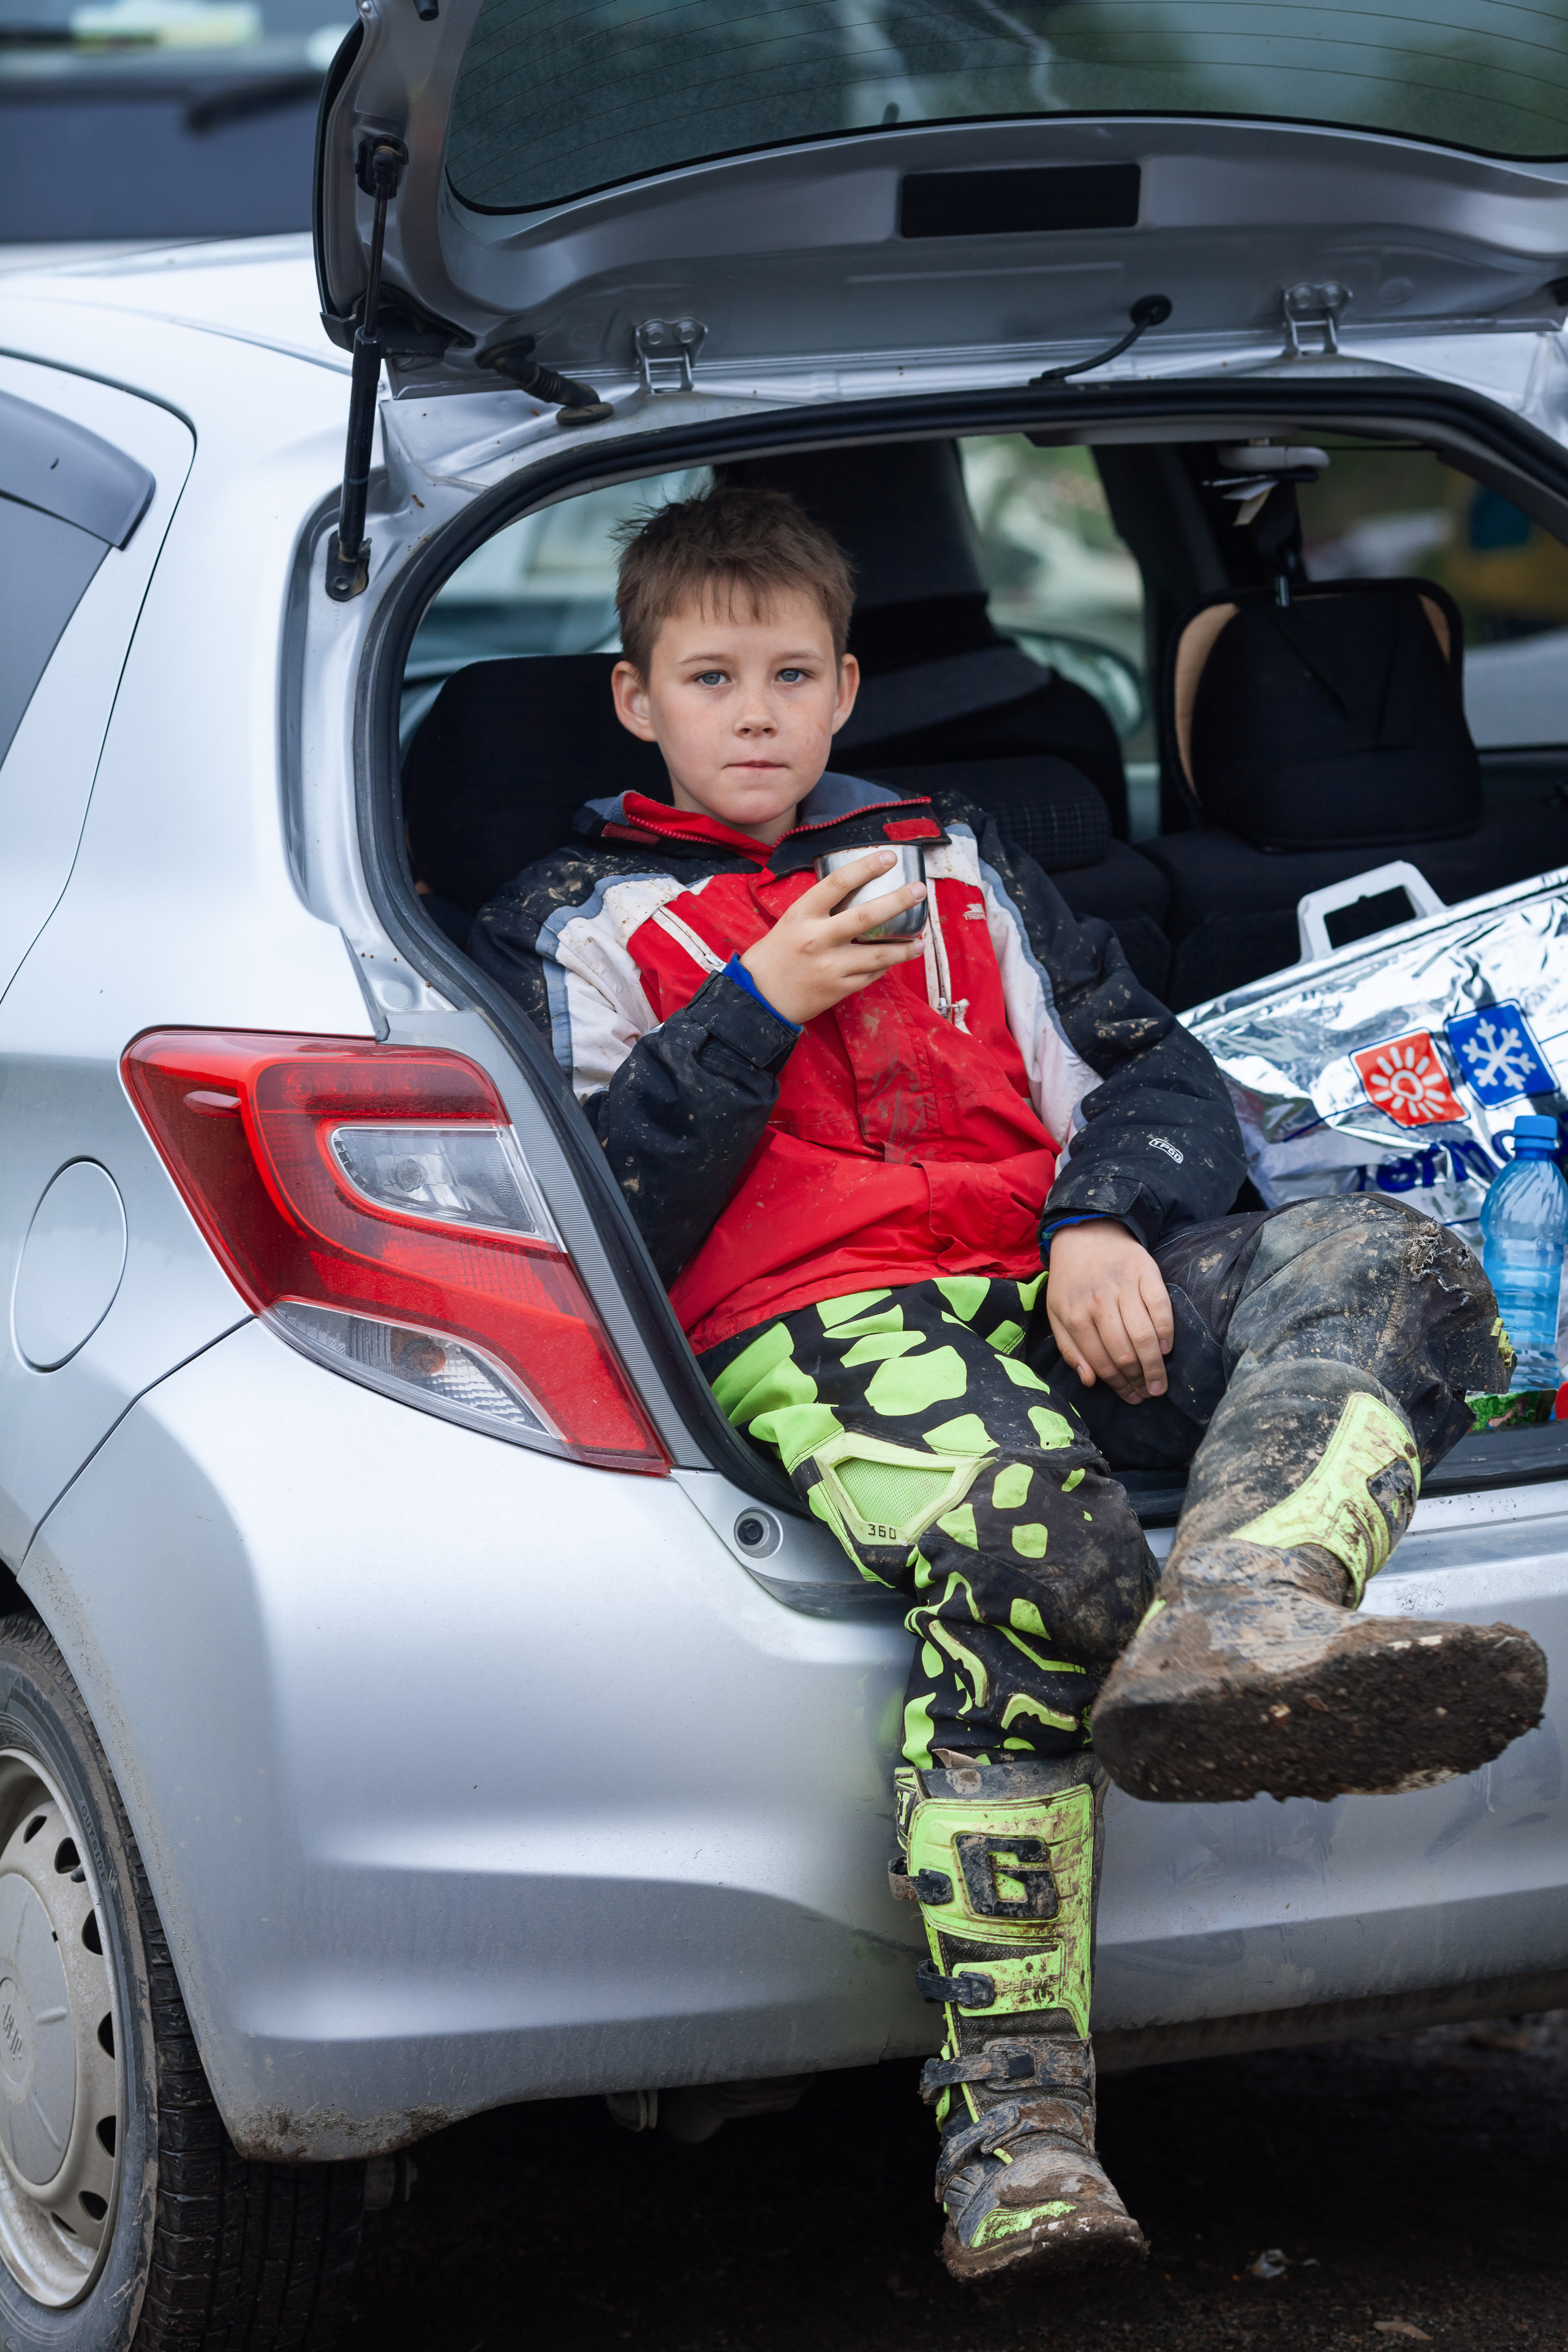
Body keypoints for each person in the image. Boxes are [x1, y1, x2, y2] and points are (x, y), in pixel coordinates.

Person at [469, 486, 1547, 2283]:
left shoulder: (950, 854)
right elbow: (607, 1207)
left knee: (1403, 1265)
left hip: (1048, 1275)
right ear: (634, 699)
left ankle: (1255, 1622)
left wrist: (1102, 1220)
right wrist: (759, 999)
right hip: (812, 1319)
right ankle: (1019, 2130)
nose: (755, 711)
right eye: (710, 675)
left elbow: (1157, 1071)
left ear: (846, 690)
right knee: (1046, 1564)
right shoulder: (573, 918)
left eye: (791, 673)